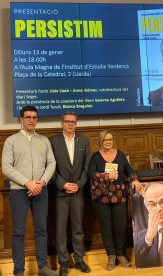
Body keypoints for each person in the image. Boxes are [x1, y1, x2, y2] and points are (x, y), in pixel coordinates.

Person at [1, 105, 57, 276]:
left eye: (34, 117)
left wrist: (42, 182)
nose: (32, 120)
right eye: (28, 117)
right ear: (21, 119)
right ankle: (19, 270)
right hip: (19, 191)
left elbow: (52, 163)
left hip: (41, 190)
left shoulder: (44, 140)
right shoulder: (11, 141)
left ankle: (42, 267)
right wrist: (27, 183)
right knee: (19, 231)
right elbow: (6, 167)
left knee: (41, 229)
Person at [87, 129, 140, 271]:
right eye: (105, 140)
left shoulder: (121, 155)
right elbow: (91, 175)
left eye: (110, 139)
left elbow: (129, 171)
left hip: (119, 196)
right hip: (102, 198)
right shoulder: (96, 157)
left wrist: (135, 180)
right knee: (106, 227)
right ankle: (111, 255)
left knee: (121, 226)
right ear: (101, 141)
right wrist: (107, 176)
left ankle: (121, 254)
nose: (108, 142)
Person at [49, 112, 91, 276]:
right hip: (61, 192)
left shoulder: (84, 140)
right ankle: (63, 262)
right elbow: (50, 167)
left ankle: (79, 259)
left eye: (73, 122)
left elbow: (87, 167)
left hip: (78, 192)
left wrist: (79, 185)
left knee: (78, 228)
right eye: (67, 121)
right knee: (60, 230)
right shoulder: (52, 141)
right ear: (62, 123)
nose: (70, 124)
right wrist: (62, 184)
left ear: (76, 124)